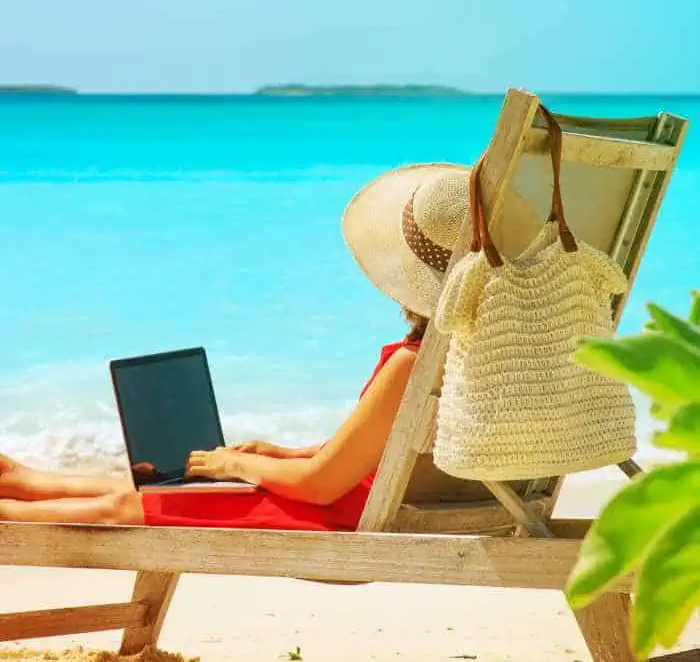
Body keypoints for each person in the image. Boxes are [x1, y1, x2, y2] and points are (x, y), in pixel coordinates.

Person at [0, 163, 536, 530]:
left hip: (350, 513)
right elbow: (386, 449)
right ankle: (22, 480)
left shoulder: (411, 363)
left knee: (125, 505)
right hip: (392, 496)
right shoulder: (482, 353)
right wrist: (285, 453)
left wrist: (236, 466)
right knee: (158, 487)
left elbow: (321, 487)